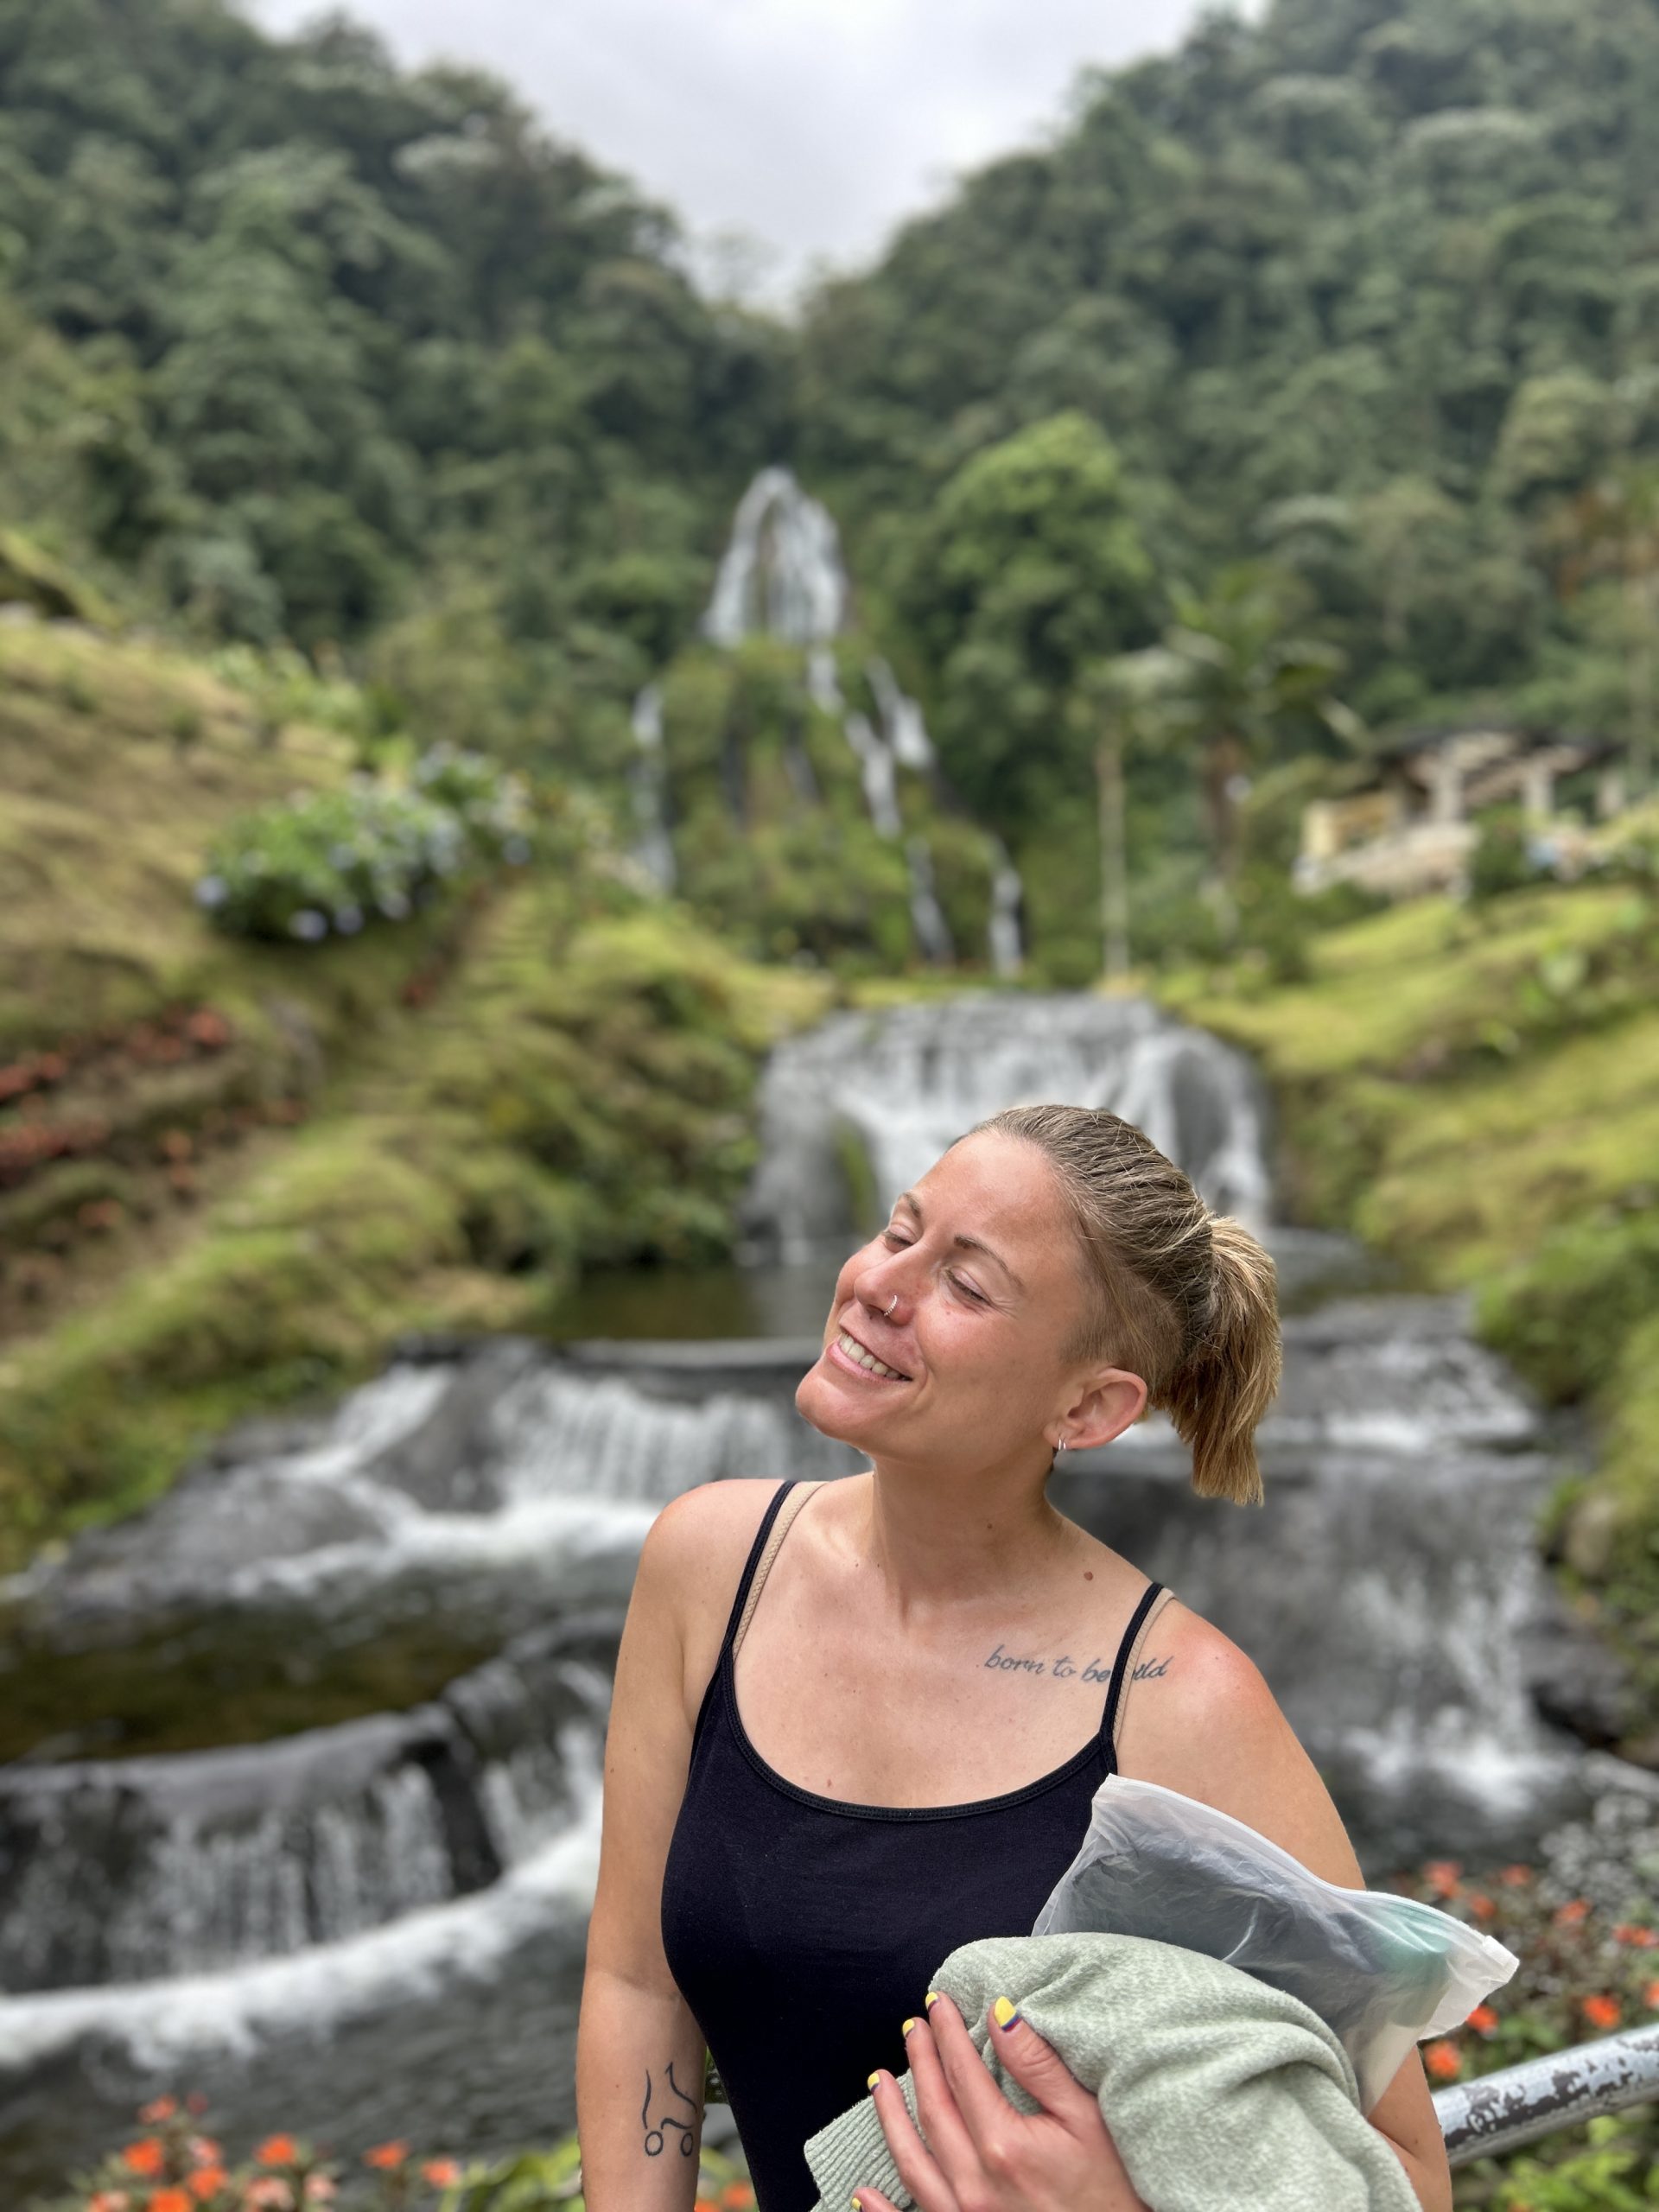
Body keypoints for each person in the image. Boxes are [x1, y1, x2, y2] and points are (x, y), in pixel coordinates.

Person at [575, 1103, 1454, 2212]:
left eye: (967, 1284)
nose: (879, 1287)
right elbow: (636, 1983)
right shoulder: (709, 1563)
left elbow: (1410, 2179)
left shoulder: (1177, 1704)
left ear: (1088, 1406)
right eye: (902, 1231)